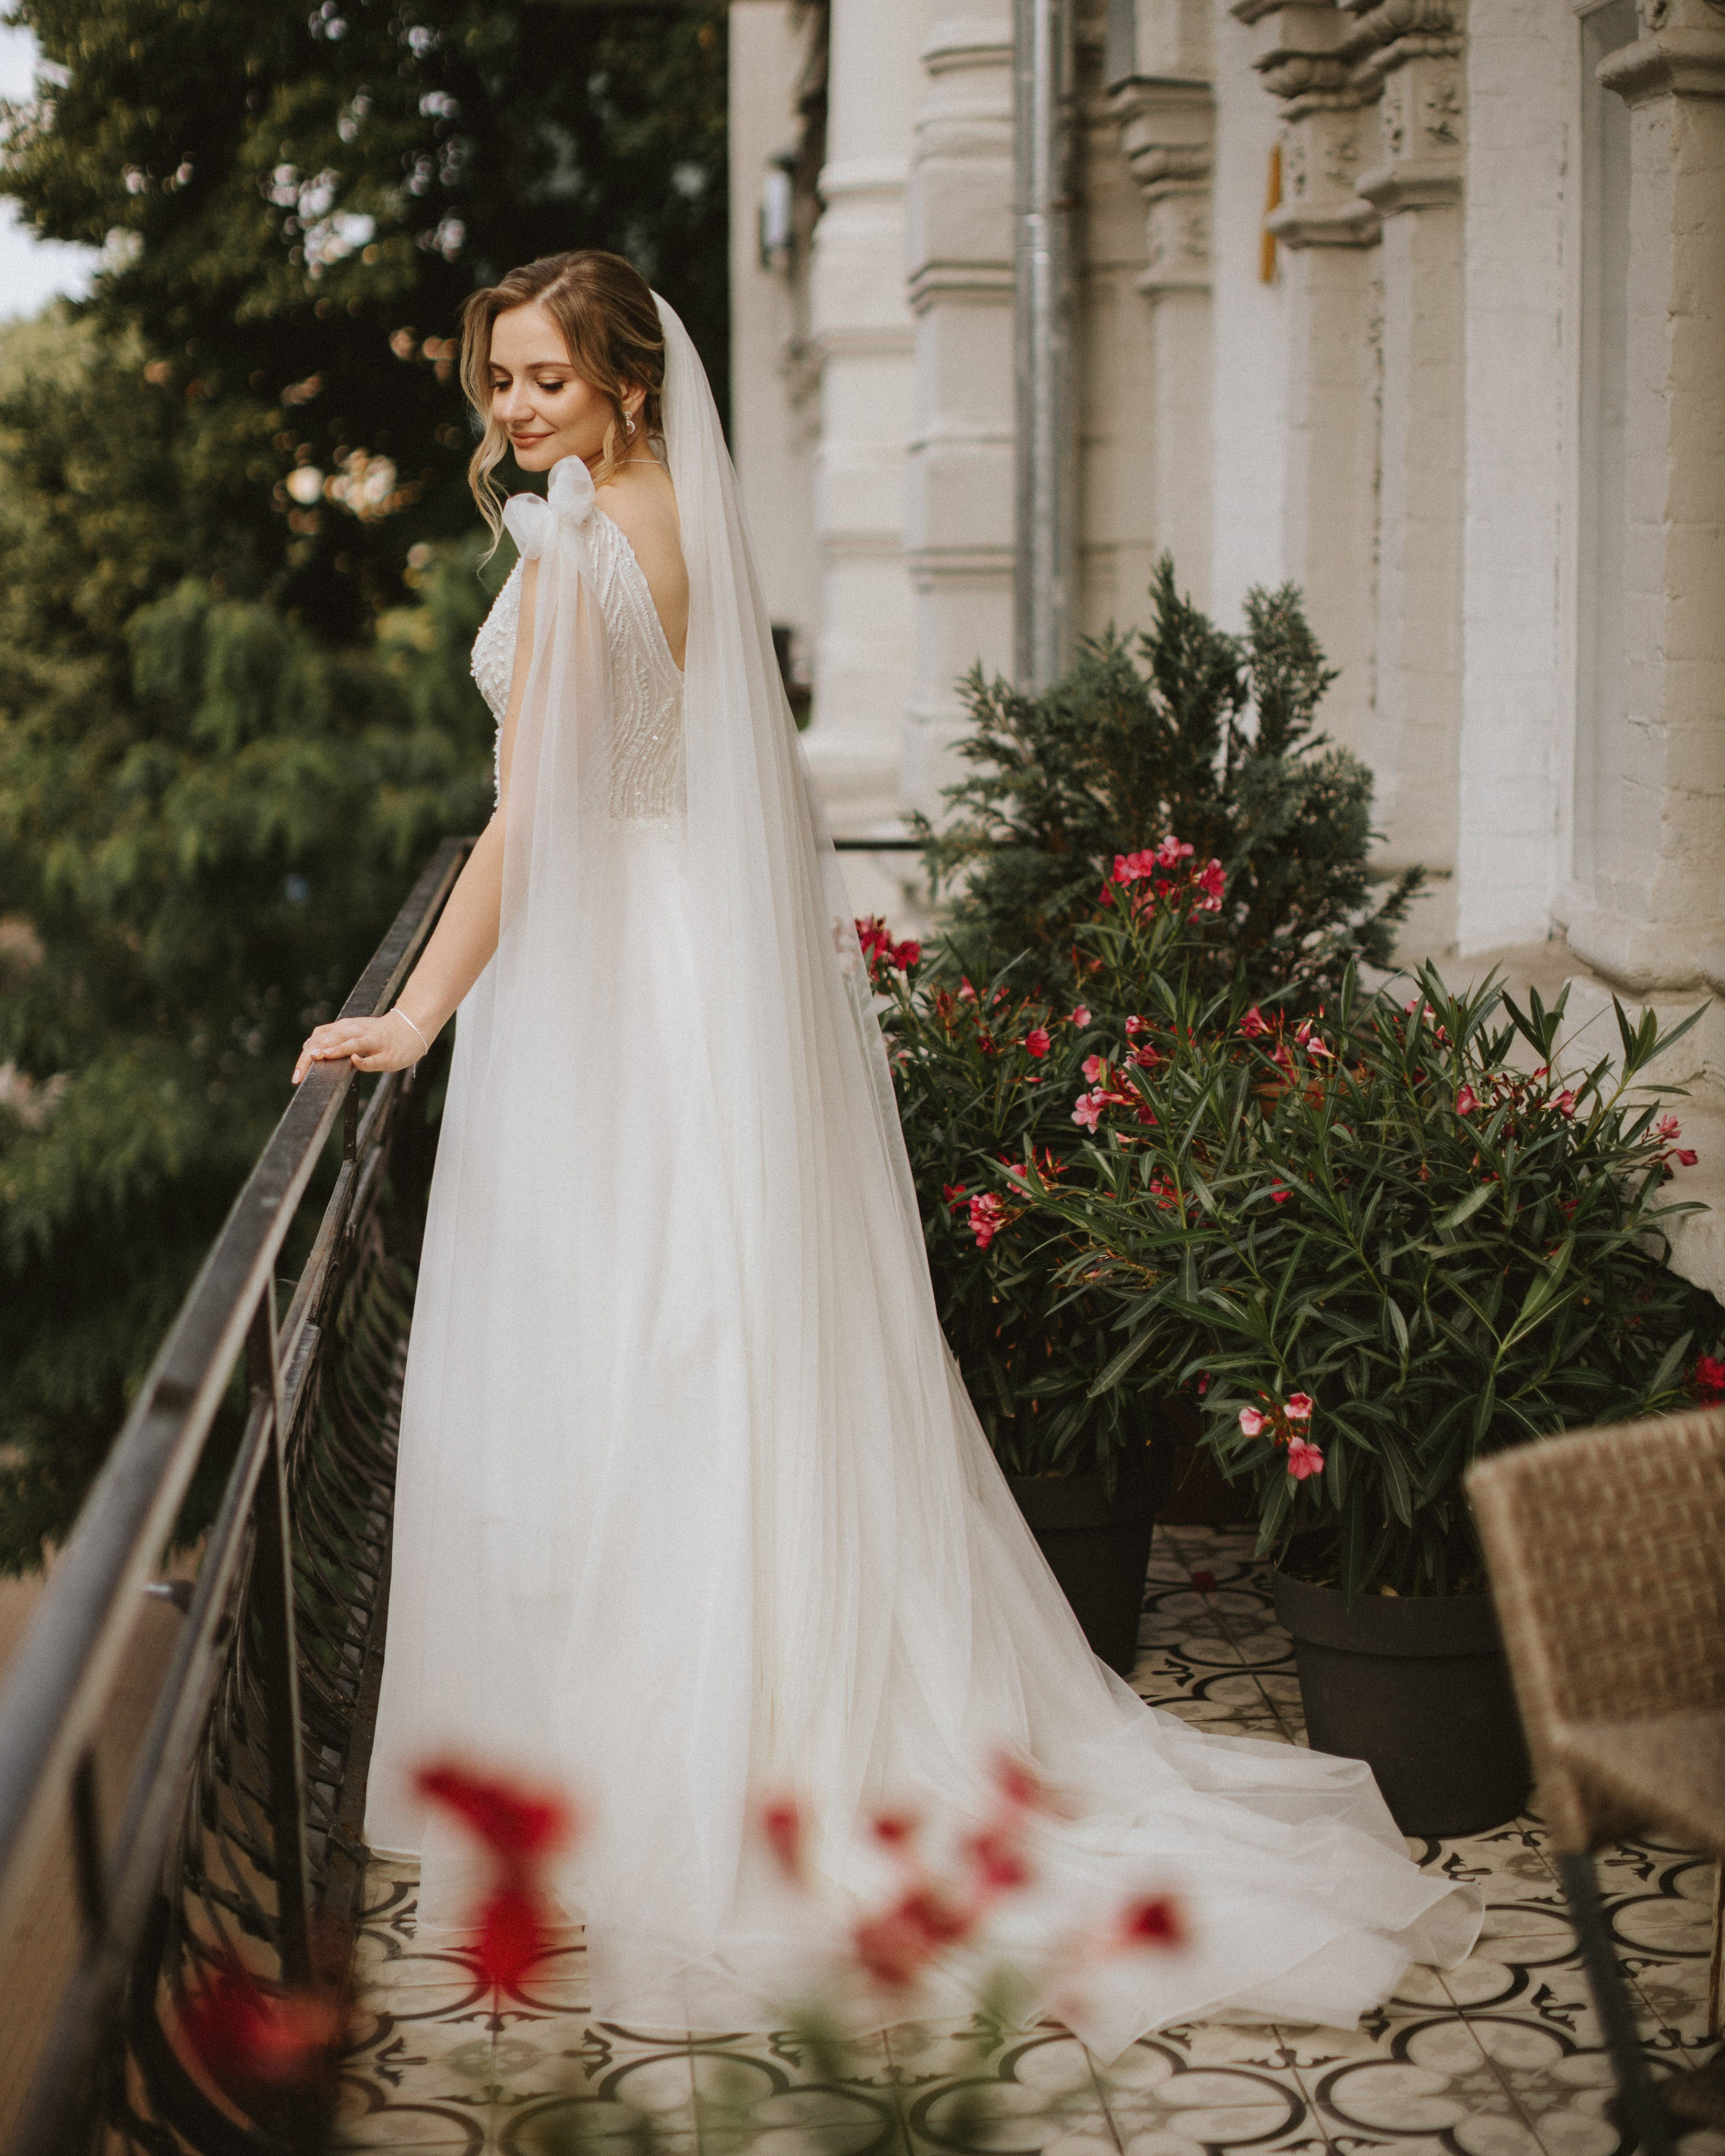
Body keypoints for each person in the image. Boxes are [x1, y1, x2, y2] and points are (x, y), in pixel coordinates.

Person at [292, 251, 1478, 2058]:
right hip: (692, 962)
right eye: (500, 380)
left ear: (620, 384)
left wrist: (418, 1019)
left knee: (633, 1357)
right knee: (711, 1346)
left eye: (544, 378)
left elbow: (524, 829)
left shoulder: (573, 553)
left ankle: (660, 1762)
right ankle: (729, 1721)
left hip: (608, 986)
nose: (512, 407)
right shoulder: (673, 512)